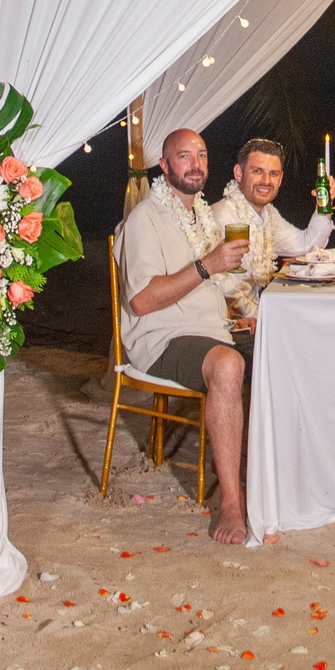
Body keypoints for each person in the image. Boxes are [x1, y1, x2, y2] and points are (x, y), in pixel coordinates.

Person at [115, 128, 254, 545]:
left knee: (282, 344)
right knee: (227, 365)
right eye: (184, 156)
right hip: (161, 336)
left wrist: (240, 317)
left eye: (202, 155)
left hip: (211, 328)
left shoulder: (203, 216)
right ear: (164, 165)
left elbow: (210, 288)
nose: (196, 164)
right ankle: (231, 501)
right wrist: (208, 264)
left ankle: (260, 469)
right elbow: (141, 301)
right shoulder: (145, 219)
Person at [208, 137, 335, 272]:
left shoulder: (269, 215)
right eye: (257, 171)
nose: (266, 181)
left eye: (273, 174)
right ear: (239, 173)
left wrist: (324, 203)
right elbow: (228, 281)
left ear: (280, 179)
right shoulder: (221, 216)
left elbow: (307, 245)